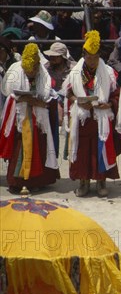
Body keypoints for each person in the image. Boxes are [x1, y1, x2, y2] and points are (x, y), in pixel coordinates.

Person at [63, 30, 120, 197]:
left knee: (100, 149)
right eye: (89, 58)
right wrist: (78, 101)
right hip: (82, 118)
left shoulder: (109, 72)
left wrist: (108, 103)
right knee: (82, 151)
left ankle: (101, 181)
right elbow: (68, 93)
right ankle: (83, 182)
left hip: (101, 117)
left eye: (95, 58)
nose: (92, 61)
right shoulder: (75, 73)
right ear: (84, 55)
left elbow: (116, 94)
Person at [0, 43, 60, 194]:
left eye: (33, 71)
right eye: (27, 71)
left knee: (38, 145)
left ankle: (36, 180)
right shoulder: (16, 71)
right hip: (19, 116)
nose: (30, 73)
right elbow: (11, 94)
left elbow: (48, 96)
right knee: (20, 145)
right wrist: (26, 99)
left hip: (38, 118)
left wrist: (38, 102)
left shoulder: (43, 74)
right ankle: (19, 180)